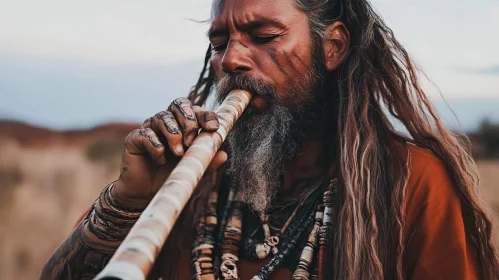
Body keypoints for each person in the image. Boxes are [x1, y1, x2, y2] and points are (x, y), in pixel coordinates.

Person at [41, 0, 499, 279]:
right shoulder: (188, 181)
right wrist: (129, 200)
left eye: (263, 35)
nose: (232, 60)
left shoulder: (411, 183)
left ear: (333, 48)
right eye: (220, 43)